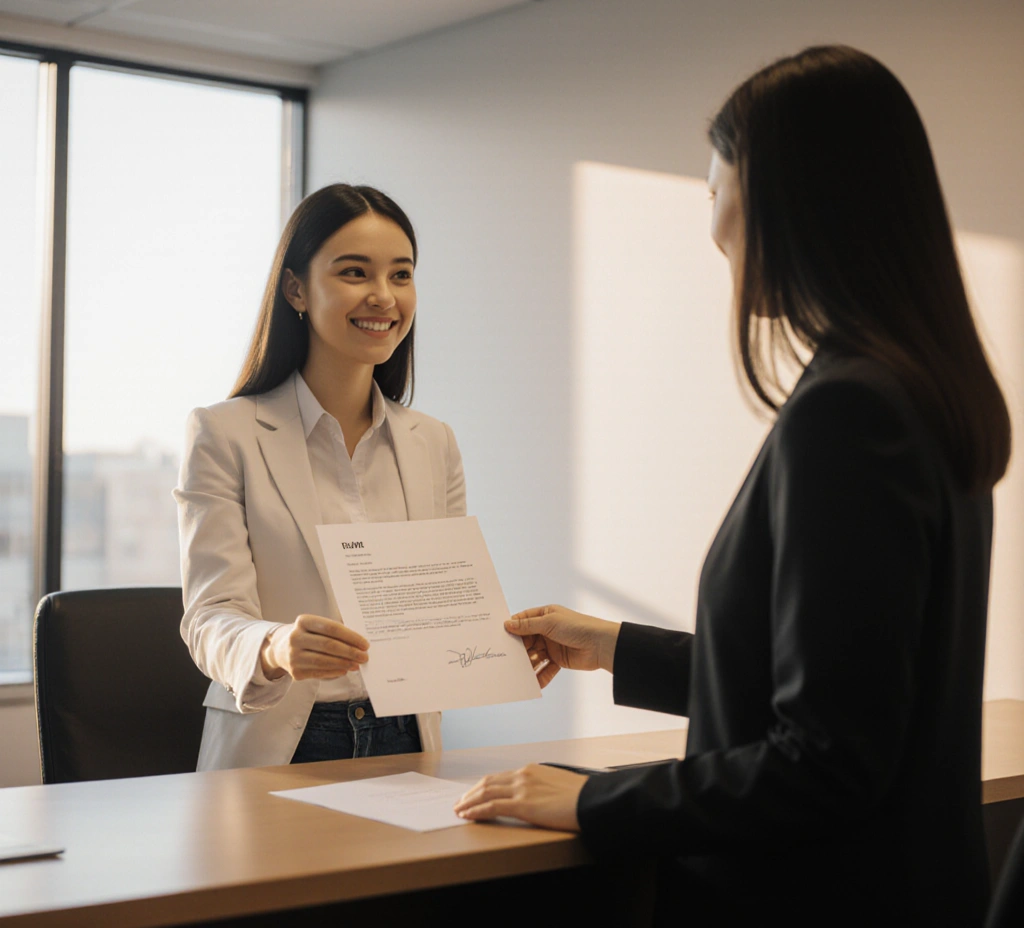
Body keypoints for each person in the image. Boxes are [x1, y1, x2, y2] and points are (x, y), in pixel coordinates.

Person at [454, 46, 1011, 926]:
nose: (712, 221)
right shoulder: (921, 391)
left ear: (791, 196)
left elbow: (824, 762)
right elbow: (831, 685)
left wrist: (593, 799)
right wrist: (613, 646)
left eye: (718, 186)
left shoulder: (850, 412)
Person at [175, 184, 466, 771]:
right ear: (296, 290)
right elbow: (208, 619)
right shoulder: (224, 433)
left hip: (406, 735)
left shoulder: (433, 442)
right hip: (282, 740)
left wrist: (492, 641)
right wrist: (275, 646)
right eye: (355, 272)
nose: (383, 296)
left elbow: (442, 609)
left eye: (401, 275)